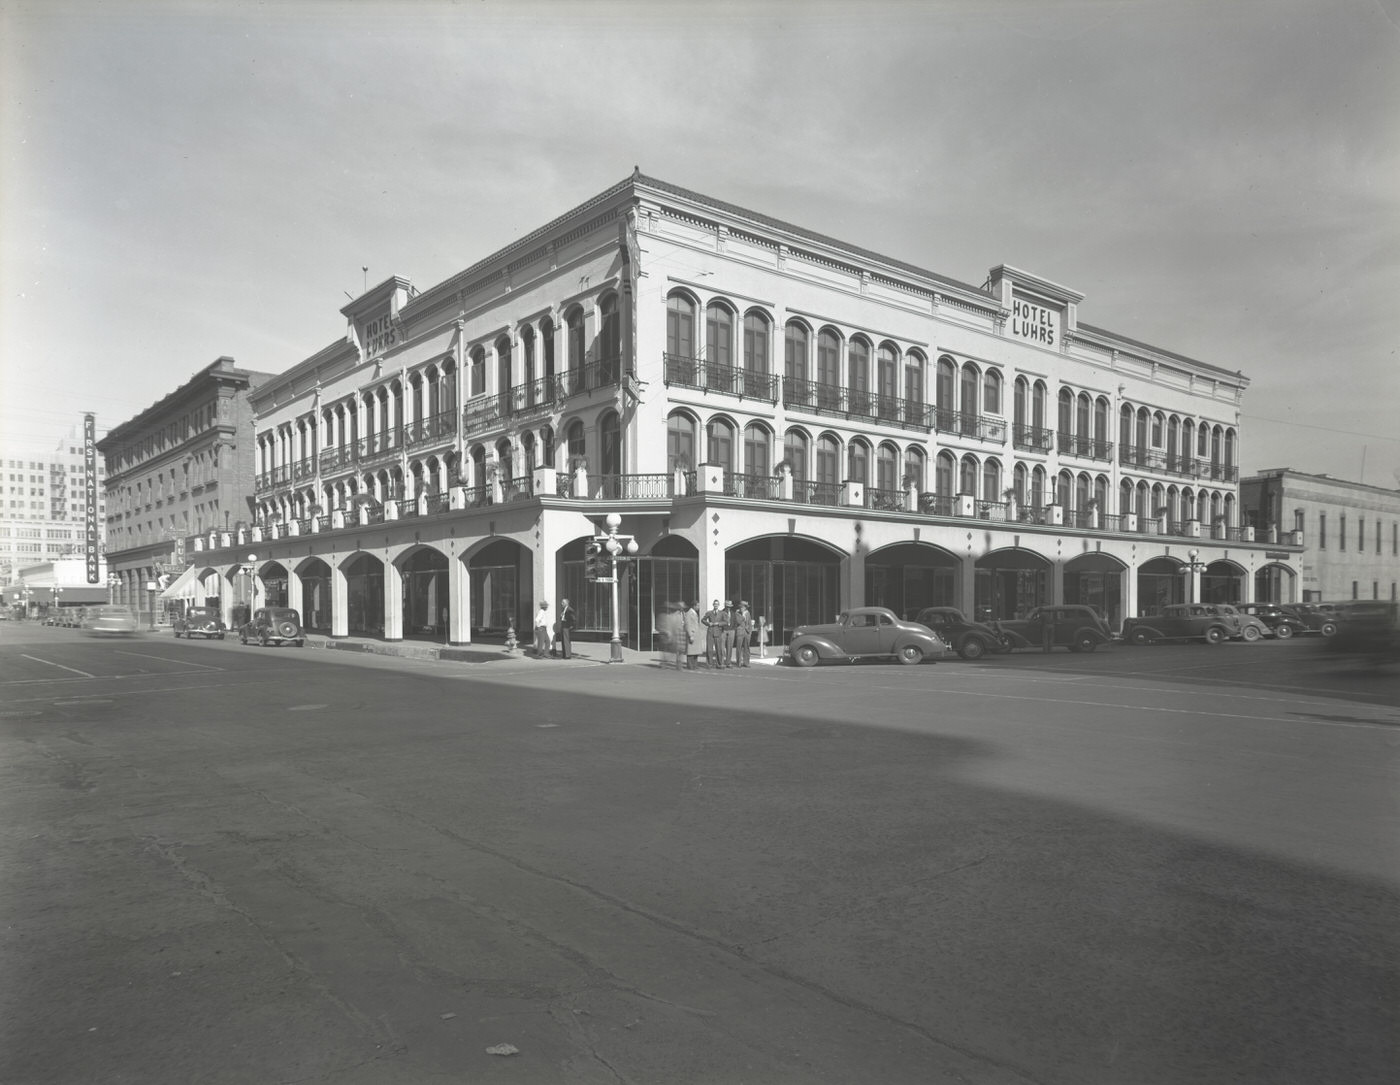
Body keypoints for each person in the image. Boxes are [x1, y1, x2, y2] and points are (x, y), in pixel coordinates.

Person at [702, 599, 727, 669]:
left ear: (718, 605)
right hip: (710, 632)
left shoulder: (722, 613)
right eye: (715, 604)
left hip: (718, 632)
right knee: (709, 649)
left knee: (718, 649)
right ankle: (709, 664)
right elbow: (703, 620)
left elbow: (726, 622)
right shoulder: (709, 613)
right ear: (713, 605)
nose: (716, 605)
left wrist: (719, 623)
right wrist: (708, 623)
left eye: (717, 604)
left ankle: (719, 664)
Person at [658, 603, 684, 669]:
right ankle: (666, 663)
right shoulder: (666, 616)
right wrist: (665, 632)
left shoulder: (674, 616)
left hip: (675, 636)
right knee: (668, 651)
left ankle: (677, 665)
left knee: (677, 651)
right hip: (667, 636)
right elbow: (660, 626)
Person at [681, 600, 703, 670]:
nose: (699, 607)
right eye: (698, 606)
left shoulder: (694, 613)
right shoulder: (689, 613)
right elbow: (687, 625)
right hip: (692, 634)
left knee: (695, 652)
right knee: (691, 652)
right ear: (694, 606)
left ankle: (695, 665)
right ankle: (690, 665)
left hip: (696, 635)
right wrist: (690, 635)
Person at [734, 600, 753, 667]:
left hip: (747, 632)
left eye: (744, 607)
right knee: (739, 647)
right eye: (742, 607)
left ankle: (746, 663)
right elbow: (738, 621)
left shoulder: (748, 613)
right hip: (740, 631)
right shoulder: (737, 613)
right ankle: (738, 663)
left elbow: (750, 623)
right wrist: (742, 616)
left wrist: (750, 632)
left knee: (746, 648)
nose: (743, 608)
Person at [721, 600, 737, 667]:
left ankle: (728, 662)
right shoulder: (721, 612)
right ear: (725, 606)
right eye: (727, 606)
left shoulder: (733, 613)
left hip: (731, 630)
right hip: (723, 631)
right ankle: (721, 662)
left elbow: (735, 621)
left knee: (729, 647)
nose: (728, 608)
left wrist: (733, 629)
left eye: (730, 606)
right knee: (721, 647)